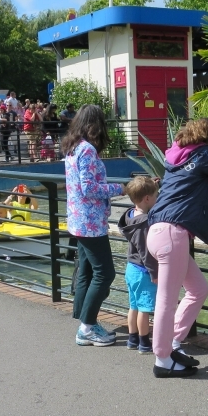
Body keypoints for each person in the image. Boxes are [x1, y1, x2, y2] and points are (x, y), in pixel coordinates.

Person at [145, 118, 208, 378]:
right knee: (166, 300)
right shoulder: (207, 155)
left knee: (199, 289)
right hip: (173, 234)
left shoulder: (175, 156)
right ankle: (163, 359)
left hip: (157, 231)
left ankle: (173, 342)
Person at [63, 104, 123, 347]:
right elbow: (89, 189)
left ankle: (85, 321)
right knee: (105, 273)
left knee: (87, 271)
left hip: (79, 220)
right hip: (90, 223)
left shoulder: (72, 147)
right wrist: (121, 189)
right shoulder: (87, 150)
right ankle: (86, 327)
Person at [117, 176, 158, 354]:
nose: (157, 198)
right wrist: (154, 273)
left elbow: (145, 201)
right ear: (147, 199)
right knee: (144, 310)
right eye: (155, 195)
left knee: (133, 306)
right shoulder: (144, 225)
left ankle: (132, 339)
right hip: (143, 271)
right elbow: (146, 253)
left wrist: (153, 186)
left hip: (131, 268)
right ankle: (144, 342)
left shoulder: (130, 215)